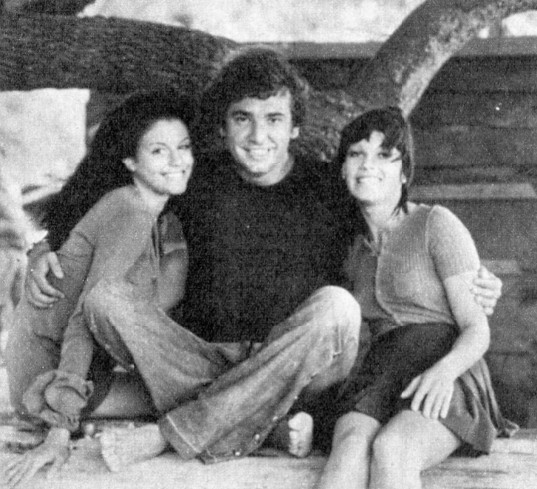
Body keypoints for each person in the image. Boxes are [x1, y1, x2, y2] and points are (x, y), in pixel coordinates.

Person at [23, 48, 502, 471]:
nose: (258, 135)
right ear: (223, 126)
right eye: (243, 118)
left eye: (273, 119)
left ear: (295, 128)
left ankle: (171, 433)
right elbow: (107, 191)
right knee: (105, 299)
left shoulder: (331, 187)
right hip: (204, 361)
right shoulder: (195, 179)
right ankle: (263, 425)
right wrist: (47, 247)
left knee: (338, 307)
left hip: (304, 371)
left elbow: (396, 226)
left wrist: (475, 279)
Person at [314, 107, 517, 489]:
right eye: (356, 154)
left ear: (404, 172)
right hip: (378, 374)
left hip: (445, 365)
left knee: (393, 448)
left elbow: (477, 328)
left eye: (384, 156)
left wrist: (444, 372)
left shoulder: (435, 223)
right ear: (342, 169)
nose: (367, 165)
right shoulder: (345, 247)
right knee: (350, 447)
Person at [2, 89, 196, 488]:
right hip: (46, 382)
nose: (178, 161)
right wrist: (60, 428)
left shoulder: (145, 211)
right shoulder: (131, 211)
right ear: (130, 161)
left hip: (42, 375)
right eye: (159, 151)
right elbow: (84, 319)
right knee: (199, 394)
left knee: (194, 390)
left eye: (184, 147)